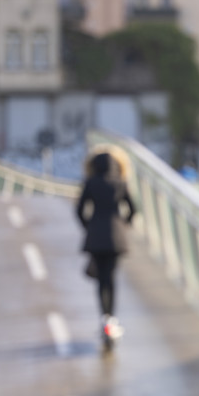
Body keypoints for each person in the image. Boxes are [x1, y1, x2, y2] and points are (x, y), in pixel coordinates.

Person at [76, 145, 136, 343]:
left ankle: (104, 318)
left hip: (95, 237)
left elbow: (79, 210)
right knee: (111, 278)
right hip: (116, 237)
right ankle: (112, 319)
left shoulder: (91, 182)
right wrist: (124, 225)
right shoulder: (120, 183)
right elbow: (133, 209)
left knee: (101, 280)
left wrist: (89, 226)